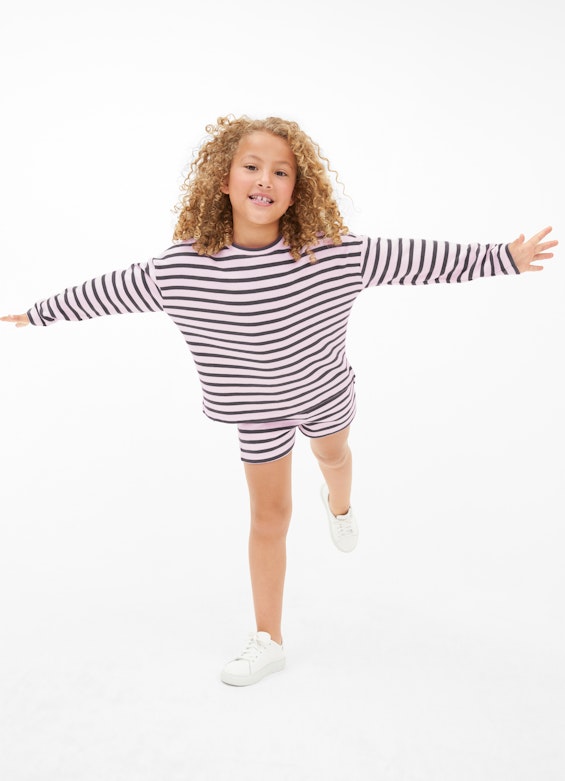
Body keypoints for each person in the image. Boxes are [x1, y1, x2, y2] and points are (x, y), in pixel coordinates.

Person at [1, 115, 557, 687]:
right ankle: (269, 639)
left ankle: (339, 506)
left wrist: (503, 258)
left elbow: (418, 260)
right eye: (251, 166)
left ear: (297, 190)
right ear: (223, 181)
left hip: (323, 392)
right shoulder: (183, 269)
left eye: (281, 171)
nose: (265, 178)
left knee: (333, 457)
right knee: (269, 518)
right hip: (258, 412)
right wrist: (38, 313)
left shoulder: (332, 254)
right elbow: (109, 292)